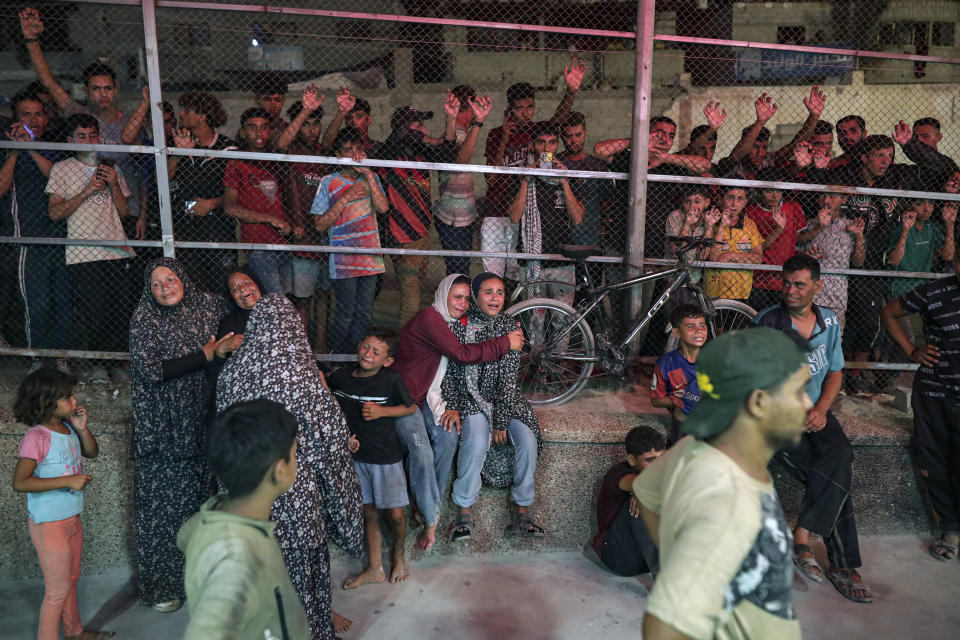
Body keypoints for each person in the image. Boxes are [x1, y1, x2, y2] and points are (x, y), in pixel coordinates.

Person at [635, 328, 810, 640]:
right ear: (758, 402)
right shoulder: (730, 501)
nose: (808, 403)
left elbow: (646, 492)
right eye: (798, 391)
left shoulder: (697, 447)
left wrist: (687, 558)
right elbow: (663, 629)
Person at [216, 294, 364, 640]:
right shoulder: (301, 374)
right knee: (301, 564)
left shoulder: (232, 373)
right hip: (291, 491)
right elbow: (329, 433)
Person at [753, 254, 872, 604]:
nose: (790, 290)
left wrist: (821, 408)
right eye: (786, 282)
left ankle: (802, 535)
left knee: (840, 455)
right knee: (835, 476)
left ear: (817, 287)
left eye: (799, 284)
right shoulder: (767, 322)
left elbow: (835, 371)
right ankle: (842, 565)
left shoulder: (830, 321)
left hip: (815, 413)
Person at [391, 274, 525, 551]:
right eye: (457, 297)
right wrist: (505, 343)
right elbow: (462, 354)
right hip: (405, 398)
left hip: (427, 397)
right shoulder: (431, 318)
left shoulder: (453, 324)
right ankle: (430, 516)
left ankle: (430, 504)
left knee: (449, 436)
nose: (463, 304)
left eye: (466, 298)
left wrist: (452, 406)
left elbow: (449, 373)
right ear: (443, 295)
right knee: (422, 450)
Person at [129, 258, 231, 612]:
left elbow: (246, 310)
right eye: (156, 283)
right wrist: (203, 354)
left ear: (183, 277)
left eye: (170, 278)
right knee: (163, 512)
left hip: (204, 421)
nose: (165, 287)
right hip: (164, 432)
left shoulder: (209, 305)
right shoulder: (144, 318)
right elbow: (152, 370)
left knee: (204, 506)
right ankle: (164, 588)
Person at [177, 399, 308, 639]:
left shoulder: (212, 515)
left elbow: (183, 537)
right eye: (294, 454)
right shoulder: (237, 559)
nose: (296, 462)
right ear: (279, 470)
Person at [20, 7, 145, 236]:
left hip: (126, 212)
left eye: (108, 88)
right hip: (88, 214)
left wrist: (144, 215)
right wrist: (31, 39)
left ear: (116, 90)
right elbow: (49, 83)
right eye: (96, 89)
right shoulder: (79, 114)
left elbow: (143, 172)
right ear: (86, 91)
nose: (103, 94)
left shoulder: (131, 122)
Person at [12, 366, 114, 640]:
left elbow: (92, 452)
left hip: (72, 519)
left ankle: (74, 632)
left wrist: (82, 429)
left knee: (70, 581)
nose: (75, 401)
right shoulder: (36, 437)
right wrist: (67, 482)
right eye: (68, 397)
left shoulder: (68, 428)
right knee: (56, 591)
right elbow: (20, 482)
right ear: (47, 401)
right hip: (49, 525)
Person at [441, 273, 544, 541]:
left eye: (499, 292)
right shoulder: (458, 327)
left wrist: (500, 421)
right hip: (469, 399)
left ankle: (522, 510)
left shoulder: (511, 326)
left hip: (505, 401)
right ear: (475, 296)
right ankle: (464, 510)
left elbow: (509, 380)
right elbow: (449, 375)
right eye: (488, 292)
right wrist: (452, 405)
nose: (495, 298)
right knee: (474, 439)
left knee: (527, 440)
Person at [881, 257, 960, 562]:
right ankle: (950, 529)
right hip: (934, 393)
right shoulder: (933, 291)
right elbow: (889, 312)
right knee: (935, 459)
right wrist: (912, 349)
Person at [482, 60, 587, 280]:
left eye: (529, 107)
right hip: (498, 211)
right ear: (509, 110)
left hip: (526, 214)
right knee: (493, 274)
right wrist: (505, 136)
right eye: (519, 108)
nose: (525, 113)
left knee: (515, 274)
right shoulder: (495, 134)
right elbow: (492, 177)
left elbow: (558, 119)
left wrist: (571, 90)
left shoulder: (537, 132)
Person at [328, 329, 416, 588]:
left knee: (396, 515)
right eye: (365, 347)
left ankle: (399, 555)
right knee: (369, 513)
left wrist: (382, 412)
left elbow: (409, 406)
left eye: (376, 352)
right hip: (357, 457)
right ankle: (374, 568)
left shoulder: (390, 380)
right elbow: (328, 403)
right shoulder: (342, 378)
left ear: (387, 361)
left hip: (385, 457)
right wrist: (344, 436)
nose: (368, 354)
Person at [46, 114, 135, 359]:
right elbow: (55, 213)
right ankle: (97, 364)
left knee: (120, 311)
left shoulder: (109, 166)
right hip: (83, 253)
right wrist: (87, 191)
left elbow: (124, 212)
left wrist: (114, 184)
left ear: (100, 137)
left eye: (92, 135)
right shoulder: (62, 168)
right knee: (94, 314)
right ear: (70, 140)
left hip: (116, 249)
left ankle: (118, 364)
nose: (88, 141)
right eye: (81, 136)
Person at [371, 98, 459, 324]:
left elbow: (448, 153)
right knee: (411, 296)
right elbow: (399, 136)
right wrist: (431, 138)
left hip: (421, 234)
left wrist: (451, 119)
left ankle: (412, 341)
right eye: (419, 125)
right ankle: (406, 349)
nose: (425, 130)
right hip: (399, 235)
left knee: (416, 290)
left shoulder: (420, 154)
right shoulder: (388, 152)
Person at [1, 90, 70, 352]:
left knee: (62, 304)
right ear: (15, 120)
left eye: (39, 114)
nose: (34, 120)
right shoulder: (6, 149)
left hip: (63, 238)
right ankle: (39, 359)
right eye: (26, 115)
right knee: (37, 305)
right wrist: (15, 153)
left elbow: (60, 177)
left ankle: (62, 358)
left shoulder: (60, 146)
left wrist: (29, 147)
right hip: (27, 241)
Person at [311, 127, 389, 353]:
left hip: (370, 257)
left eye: (358, 149)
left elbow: (383, 208)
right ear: (338, 155)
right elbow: (320, 224)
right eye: (348, 150)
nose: (355, 155)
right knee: (345, 312)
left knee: (364, 312)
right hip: (343, 259)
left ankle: (358, 356)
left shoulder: (370, 178)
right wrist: (345, 197)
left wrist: (368, 174)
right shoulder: (328, 182)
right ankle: (340, 356)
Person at [166, 92, 239, 295]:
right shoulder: (178, 143)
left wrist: (211, 204)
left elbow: (238, 192)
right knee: (192, 290)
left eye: (187, 110)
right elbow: (162, 182)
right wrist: (178, 154)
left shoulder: (228, 148)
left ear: (203, 115)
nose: (180, 113)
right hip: (187, 230)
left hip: (219, 229)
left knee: (221, 289)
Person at [223, 107, 300, 295]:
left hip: (284, 241)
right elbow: (230, 207)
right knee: (275, 299)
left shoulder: (276, 160)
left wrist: (294, 223)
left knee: (288, 300)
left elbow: (289, 198)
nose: (259, 133)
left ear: (271, 131)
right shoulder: (237, 162)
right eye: (252, 127)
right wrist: (269, 219)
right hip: (258, 246)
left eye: (264, 127)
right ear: (243, 132)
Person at [507, 121, 585, 305]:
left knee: (562, 320)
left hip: (562, 260)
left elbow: (577, 218)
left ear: (557, 144)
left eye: (552, 142)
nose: (546, 148)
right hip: (531, 259)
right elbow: (514, 216)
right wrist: (526, 180)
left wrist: (564, 182)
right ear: (533, 144)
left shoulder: (566, 174)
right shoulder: (521, 174)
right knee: (535, 320)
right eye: (541, 142)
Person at [279, 88, 332, 347]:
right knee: (302, 298)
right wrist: (305, 110)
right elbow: (279, 144)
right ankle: (302, 348)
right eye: (306, 124)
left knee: (324, 294)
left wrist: (342, 113)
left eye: (315, 123)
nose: (311, 129)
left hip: (326, 236)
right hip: (302, 237)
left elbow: (332, 138)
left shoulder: (324, 154)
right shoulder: (291, 154)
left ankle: (320, 345)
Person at [433, 85, 493, 275]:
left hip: (459, 216)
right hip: (454, 217)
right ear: (466, 110)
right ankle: (455, 301)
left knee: (458, 269)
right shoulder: (458, 132)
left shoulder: (459, 132)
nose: (473, 115)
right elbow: (461, 162)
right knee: (458, 271)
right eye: (472, 111)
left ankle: (457, 300)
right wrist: (479, 123)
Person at [593, 426, 663, 578]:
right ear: (631, 459)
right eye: (650, 460)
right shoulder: (618, 473)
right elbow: (634, 483)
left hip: (643, 559)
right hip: (618, 556)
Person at [797, 191, 865, 327]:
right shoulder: (810, 224)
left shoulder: (851, 226)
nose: (827, 200)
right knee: (806, 339)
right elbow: (797, 243)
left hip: (836, 296)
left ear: (844, 199)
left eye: (832, 196)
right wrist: (820, 227)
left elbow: (859, 262)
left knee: (834, 340)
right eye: (823, 196)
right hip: (809, 294)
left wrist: (858, 236)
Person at [746, 167, 807, 312]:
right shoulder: (751, 212)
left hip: (787, 280)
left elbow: (800, 239)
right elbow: (759, 247)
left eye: (779, 190)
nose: (775, 195)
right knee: (759, 322)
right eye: (769, 191)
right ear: (759, 191)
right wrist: (779, 229)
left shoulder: (792, 208)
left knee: (784, 324)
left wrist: (821, 227)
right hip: (760, 281)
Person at [650, 304, 707, 446]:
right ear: (676, 332)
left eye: (702, 325)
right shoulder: (666, 363)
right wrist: (677, 399)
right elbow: (656, 400)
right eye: (691, 327)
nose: (699, 331)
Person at [702, 186, 763, 301]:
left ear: (745, 202)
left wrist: (729, 255)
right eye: (730, 198)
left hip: (741, 292)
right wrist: (721, 227)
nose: (734, 204)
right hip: (714, 291)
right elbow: (714, 258)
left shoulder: (750, 225)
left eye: (740, 199)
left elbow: (758, 258)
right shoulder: (711, 221)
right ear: (721, 199)